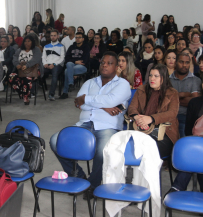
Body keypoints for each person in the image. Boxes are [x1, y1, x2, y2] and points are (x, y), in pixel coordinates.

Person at [50, 52, 132, 196]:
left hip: (108, 126)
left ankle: (93, 185)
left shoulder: (123, 84)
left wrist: (87, 99)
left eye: (109, 63)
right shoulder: (89, 82)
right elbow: (79, 103)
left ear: (117, 66)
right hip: (84, 123)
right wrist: (104, 105)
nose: (105, 65)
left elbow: (107, 100)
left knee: (102, 152)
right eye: (103, 62)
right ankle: (78, 176)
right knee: (55, 141)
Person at [128, 63, 180, 158]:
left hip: (164, 133)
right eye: (151, 75)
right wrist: (138, 118)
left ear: (163, 78)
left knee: (150, 150)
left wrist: (151, 118)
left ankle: (148, 173)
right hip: (140, 128)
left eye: (156, 76)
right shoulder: (142, 89)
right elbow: (132, 108)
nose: (152, 79)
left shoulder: (172, 93)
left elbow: (172, 113)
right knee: (125, 146)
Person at [169, 53, 201, 137]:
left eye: (187, 62)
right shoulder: (167, 80)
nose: (184, 65)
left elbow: (195, 103)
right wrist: (184, 94)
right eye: (181, 62)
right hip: (169, 116)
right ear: (176, 62)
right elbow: (165, 100)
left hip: (187, 117)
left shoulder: (196, 80)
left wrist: (173, 98)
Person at [9, 35, 42, 105]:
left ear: (32, 42)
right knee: (11, 77)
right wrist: (17, 64)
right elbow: (14, 58)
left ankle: (26, 97)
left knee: (26, 79)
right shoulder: (19, 50)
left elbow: (35, 60)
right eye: (25, 41)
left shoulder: (36, 49)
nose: (26, 43)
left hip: (33, 70)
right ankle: (23, 93)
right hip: (20, 70)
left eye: (28, 41)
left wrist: (26, 65)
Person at [60, 32, 90, 99]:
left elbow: (85, 60)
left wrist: (75, 62)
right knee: (69, 64)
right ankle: (71, 83)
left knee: (67, 71)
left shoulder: (86, 47)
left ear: (83, 39)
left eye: (79, 37)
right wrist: (75, 61)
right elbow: (67, 58)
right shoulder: (71, 47)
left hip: (82, 66)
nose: (77, 39)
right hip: (73, 64)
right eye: (76, 37)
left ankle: (65, 92)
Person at [42, 29, 65, 101]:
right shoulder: (46, 46)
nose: (53, 37)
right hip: (47, 64)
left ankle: (51, 94)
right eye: (51, 35)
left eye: (54, 35)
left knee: (55, 74)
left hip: (57, 65)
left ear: (58, 36)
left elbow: (62, 58)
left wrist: (54, 64)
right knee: (39, 71)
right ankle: (32, 92)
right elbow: (43, 57)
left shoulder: (61, 46)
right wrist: (45, 63)